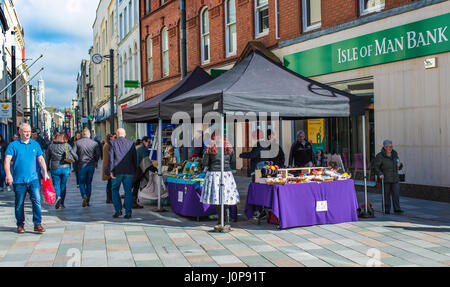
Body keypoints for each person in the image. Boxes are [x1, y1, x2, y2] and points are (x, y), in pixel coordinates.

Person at [4, 123, 49, 234]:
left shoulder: (35, 144)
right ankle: (20, 224)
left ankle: (37, 224)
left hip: (34, 179)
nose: (28, 133)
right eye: (25, 131)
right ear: (20, 132)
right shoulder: (13, 145)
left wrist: (45, 173)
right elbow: (7, 160)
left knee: (37, 201)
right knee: (19, 203)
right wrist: (8, 174)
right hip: (19, 180)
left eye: (29, 131)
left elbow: (41, 159)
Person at [201, 132, 239, 225]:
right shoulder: (228, 147)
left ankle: (220, 219)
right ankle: (226, 217)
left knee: (217, 198)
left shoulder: (210, 147)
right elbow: (233, 161)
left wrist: (206, 155)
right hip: (226, 174)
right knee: (225, 196)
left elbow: (205, 163)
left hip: (214, 173)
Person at [107, 128, 137, 219]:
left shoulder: (112, 143)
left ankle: (118, 210)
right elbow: (135, 158)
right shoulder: (131, 143)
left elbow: (111, 159)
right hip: (129, 171)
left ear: (117, 134)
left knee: (115, 190)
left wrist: (111, 171)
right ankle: (128, 212)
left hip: (117, 171)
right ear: (125, 134)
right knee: (128, 191)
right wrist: (134, 170)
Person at [46, 133, 78, 209]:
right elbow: (75, 157)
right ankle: (62, 203)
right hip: (65, 168)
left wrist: (47, 168)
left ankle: (58, 197)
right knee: (63, 185)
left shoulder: (51, 146)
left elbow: (47, 158)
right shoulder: (67, 146)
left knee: (56, 185)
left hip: (55, 168)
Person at [373, 140, 404, 215]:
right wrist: (380, 173)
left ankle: (397, 208)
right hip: (385, 178)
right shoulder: (380, 156)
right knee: (386, 195)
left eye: (391, 146)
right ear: (384, 147)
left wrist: (400, 165)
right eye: (389, 147)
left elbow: (398, 165)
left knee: (396, 194)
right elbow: (375, 167)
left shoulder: (394, 154)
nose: (390, 148)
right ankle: (387, 209)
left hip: (394, 177)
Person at [73, 129, 101, 207]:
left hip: (81, 165)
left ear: (82, 135)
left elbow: (73, 153)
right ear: (89, 134)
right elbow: (98, 154)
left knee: (81, 183)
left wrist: (77, 160)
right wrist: (95, 161)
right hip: (91, 165)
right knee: (89, 183)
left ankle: (84, 195)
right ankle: (87, 200)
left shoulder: (77, 143)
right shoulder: (94, 143)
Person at [132, 136, 154, 209]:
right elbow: (146, 163)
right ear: (143, 141)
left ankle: (130, 202)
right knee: (135, 186)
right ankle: (132, 203)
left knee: (133, 186)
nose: (149, 143)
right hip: (136, 170)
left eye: (150, 142)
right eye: (148, 141)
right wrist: (155, 169)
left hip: (133, 169)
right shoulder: (142, 149)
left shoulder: (139, 147)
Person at [101, 133, 116, 204]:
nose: (115, 138)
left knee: (110, 182)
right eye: (114, 137)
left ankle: (110, 198)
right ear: (110, 138)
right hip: (109, 166)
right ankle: (110, 198)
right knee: (110, 183)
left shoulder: (107, 144)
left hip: (108, 165)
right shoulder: (108, 145)